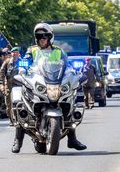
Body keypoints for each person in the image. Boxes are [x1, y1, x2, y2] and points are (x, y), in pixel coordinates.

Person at [11, 22, 87, 153]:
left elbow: (66, 66)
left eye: (45, 36)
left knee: (69, 102)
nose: (42, 39)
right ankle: (18, 140)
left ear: (50, 37)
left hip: (54, 82)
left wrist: (73, 73)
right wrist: (22, 68)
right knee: (20, 104)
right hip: (38, 81)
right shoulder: (32, 50)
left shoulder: (58, 51)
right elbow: (26, 61)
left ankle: (72, 139)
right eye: (39, 36)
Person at [0, 47, 21, 126]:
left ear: (19, 53)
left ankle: (19, 120)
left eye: (16, 52)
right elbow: (1, 74)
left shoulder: (22, 62)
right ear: (11, 53)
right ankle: (12, 120)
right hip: (9, 87)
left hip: (20, 87)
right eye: (13, 52)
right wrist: (1, 84)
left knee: (19, 104)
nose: (15, 54)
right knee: (9, 105)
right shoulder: (7, 62)